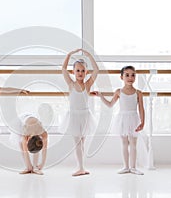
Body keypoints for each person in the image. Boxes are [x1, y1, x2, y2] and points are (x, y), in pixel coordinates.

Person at [94, 65, 145, 175]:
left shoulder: (138, 93)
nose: (130, 77)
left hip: (133, 119)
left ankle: (133, 167)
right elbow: (110, 104)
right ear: (121, 77)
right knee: (124, 143)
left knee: (133, 144)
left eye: (133, 75)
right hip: (122, 119)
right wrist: (101, 96)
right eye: (127, 75)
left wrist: (142, 122)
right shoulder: (118, 92)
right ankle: (126, 167)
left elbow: (141, 108)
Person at [61, 48, 99, 176]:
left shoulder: (87, 85)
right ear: (74, 72)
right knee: (77, 143)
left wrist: (89, 55)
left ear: (86, 72)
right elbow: (63, 69)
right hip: (74, 116)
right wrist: (69, 54)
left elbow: (97, 70)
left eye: (83, 70)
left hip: (85, 116)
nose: (80, 73)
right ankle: (81, 167)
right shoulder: (71, 84)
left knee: (82, 143)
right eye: (78, 70)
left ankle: (81, 167)